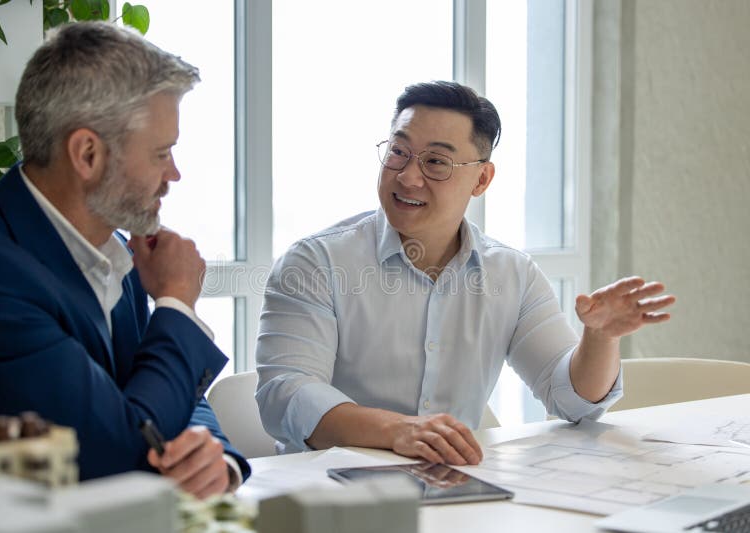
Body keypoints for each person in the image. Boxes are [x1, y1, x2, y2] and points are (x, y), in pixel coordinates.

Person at [255, 80, 675, 465]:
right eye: (398, 152)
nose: (407, 176)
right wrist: (398, 430)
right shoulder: (316, 263)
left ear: (482, 179)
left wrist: (599, 339)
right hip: (325, 494)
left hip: (454, 491)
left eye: (436, 162)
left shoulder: (511, 273)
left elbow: (574, 403)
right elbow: (286, 392)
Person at [0, 22, 249, 497]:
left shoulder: (113, 252)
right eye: (161, 153)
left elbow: (156, 384)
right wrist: (177, 305)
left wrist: (213, 453)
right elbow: (117, 450)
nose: (174, 173)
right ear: (87, 153)